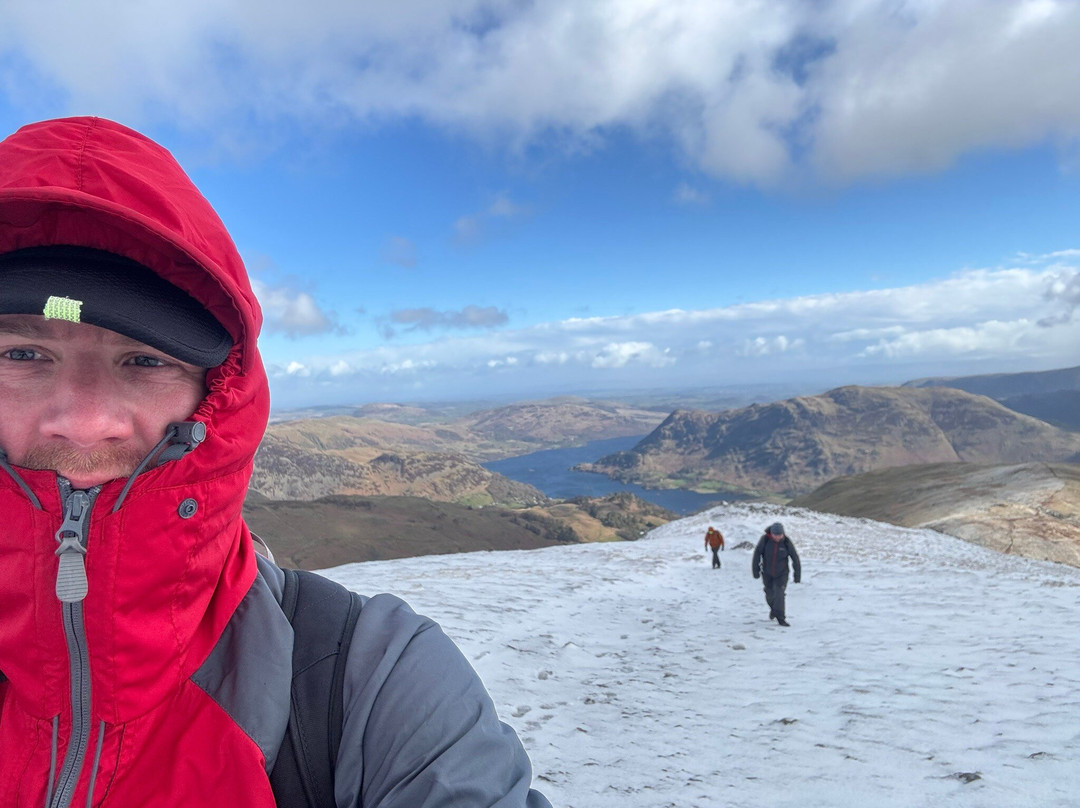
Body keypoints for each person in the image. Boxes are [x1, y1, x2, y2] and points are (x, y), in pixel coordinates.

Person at [0, 117, 551, 807]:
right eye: (23, 354)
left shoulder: (375, 684)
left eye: (144, 360)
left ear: (218, 394)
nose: (84, 421)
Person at [751, 521, 801, 627]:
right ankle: (774, 610)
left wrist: (797, 575)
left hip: (782, 574)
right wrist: (755, 571)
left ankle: (781, 618)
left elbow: (795, 558)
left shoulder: (786, 542)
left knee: (779, 594)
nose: (778, 537)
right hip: (767, 573)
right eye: (775, 535)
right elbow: (757, 555)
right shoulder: (765, 540)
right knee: (769, 595)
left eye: (780, 535)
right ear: (771, 534)